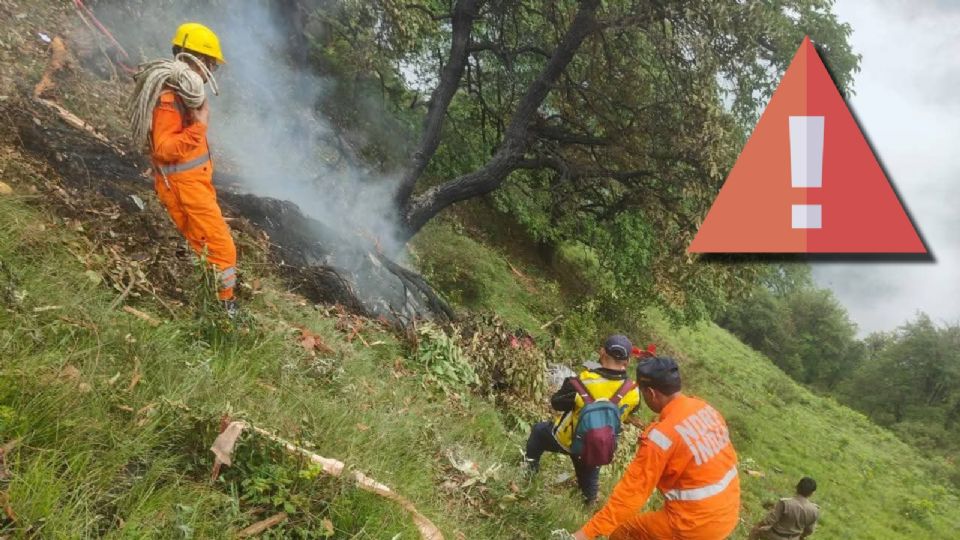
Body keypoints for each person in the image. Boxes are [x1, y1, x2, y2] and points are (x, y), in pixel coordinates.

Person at [131, 23, 237, 315]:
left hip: (193, 185)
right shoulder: (169, 99)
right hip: (183, 188)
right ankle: (223, 310)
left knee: (203, 246)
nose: (211, 71)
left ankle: (208, 300)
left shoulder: (182, 95)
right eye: (211, 64)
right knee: (222, 249)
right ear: (196, 59)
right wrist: (199, 125)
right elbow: (164, 150)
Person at [572, 356, 740, 540]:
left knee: (623, 533)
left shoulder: (660, 439)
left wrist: (586, 533)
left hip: (693, 526)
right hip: (728, 514)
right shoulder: (706, 409)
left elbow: (631, 495)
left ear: (651, 393)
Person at [525, 335, 642, 505]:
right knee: (589, 484)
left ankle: (529, 472)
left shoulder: (583, 380)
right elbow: (630, 412)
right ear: (628, 361)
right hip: (597, 447)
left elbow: (556, 403)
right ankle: (589, 503)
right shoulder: (633, 391)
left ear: (602, 352)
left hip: (566, 440)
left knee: (538, 432)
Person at [748, 477, 820, 540]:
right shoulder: (814, 510)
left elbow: (770, 520)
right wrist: (801, 536)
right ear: (812, 493)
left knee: (756, 531)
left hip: (775, 536)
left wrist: (758, 526)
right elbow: (809, 530)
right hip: (794, 537)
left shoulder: (785, 503)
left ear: (797, 487)